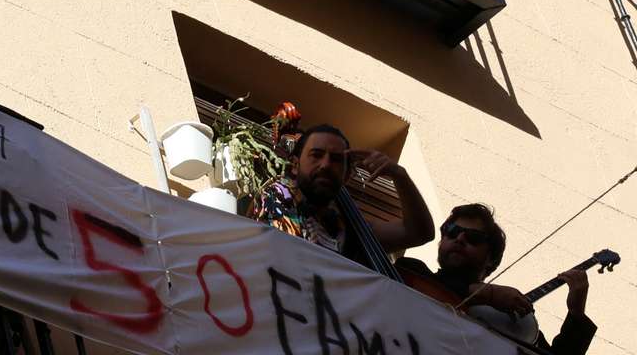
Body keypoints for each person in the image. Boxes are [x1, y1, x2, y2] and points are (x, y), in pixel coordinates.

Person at [396, 204, 596, 355]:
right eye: (452, 232)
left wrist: (576, 315)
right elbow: (419, 285)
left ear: (491, 259)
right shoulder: (411, 271)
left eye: (473, 238)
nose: (460, 239)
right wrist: (488, 294)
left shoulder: (512, 322)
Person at [249, 124, 434, 257]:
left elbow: (419, 232)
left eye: (336, 160)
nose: (326, 165)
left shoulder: (352, 229)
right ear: (295, 165)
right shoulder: (275, 196)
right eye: (316, 155)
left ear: (347, 176)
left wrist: (399, 175)